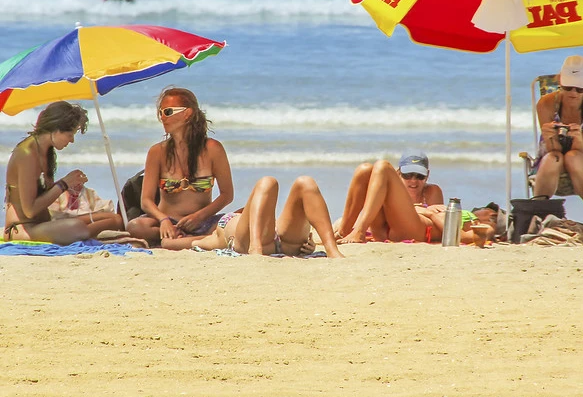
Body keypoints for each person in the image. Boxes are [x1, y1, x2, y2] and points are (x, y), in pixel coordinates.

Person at [126, 87, 234, 248]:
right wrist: (163, 220)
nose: (162, 117)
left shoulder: (213, 149)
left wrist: (199, 216)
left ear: (187, 114)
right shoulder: (157, 152)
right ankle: (203, 239)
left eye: (168, 112)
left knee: (244, 214)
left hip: (204, 221)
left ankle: (183, 239)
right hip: (167, 222)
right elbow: (146, 201)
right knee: (135, 227)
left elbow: (227, 195)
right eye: (160, 113)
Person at [4, 101, 124, 244]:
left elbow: (43, 193)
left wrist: (70, 186)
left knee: (114, 218)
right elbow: (30, 210)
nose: (72, 140)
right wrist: (63, 184)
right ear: (56, 129)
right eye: (69, 134)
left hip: (43, 222)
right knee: (77, 227)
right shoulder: (27, 154)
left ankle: (77, 233)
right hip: (22, 228)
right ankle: (80, 234)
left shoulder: (46, 151)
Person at [531, 55, 583, 237]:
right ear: (559, 80)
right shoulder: (546, 104)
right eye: (567, 87)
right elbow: (552, 150)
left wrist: (577, 138)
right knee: (554, 158)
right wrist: (550, 136)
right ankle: (537, 218)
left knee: (573, 156)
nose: (573, 92)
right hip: (553, 154)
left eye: (579, 88)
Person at [192, 175, 345, 258]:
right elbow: (194, 243)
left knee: (305, 182)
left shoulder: (239, 219)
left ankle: (332, 249)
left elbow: (192, 243)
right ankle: (256, 248)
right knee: (267, 182)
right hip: (260, 242)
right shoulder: (217, 232)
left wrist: (312, 245)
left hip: (279, 241)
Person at [333, 151, 447, 244]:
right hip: (384, 231)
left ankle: (360, 231)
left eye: (420, 176)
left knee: (383, 166)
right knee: (364, 169)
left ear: (427, 175)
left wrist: (421, 210)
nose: (413, 181)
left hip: (411, 231)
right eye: (408, 175)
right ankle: (343, 232)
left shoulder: (431, 191)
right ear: (398, 173)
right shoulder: (384, 190)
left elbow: (438, 221)